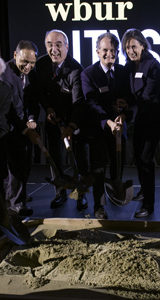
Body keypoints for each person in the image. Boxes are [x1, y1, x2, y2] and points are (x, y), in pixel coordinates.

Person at [80, 32, 132, 219]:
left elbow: (130, 98)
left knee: (118, 165)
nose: (109, 54)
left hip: (119, 130)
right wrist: (108, 121)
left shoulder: (124, 72)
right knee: (99, 169)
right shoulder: (88, 74)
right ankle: (99, 206)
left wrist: (124, 112)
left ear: (117, 51)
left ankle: (115, 192)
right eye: (105, 50)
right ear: (97, 51)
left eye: (113, 50)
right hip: (98, 130)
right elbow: (91, 103)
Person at [35, 29, 85, 209]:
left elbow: (79, 102)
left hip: (73, 117)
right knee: (54, 157)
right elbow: (39, 91)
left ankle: (81, 195)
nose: (54, 49)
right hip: (52, 119)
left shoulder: (76, 69)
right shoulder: (40, 65)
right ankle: (60, 192)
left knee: (77, 158)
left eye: (58, 45)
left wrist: (71, 126)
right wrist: (47, 108)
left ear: (67, 47)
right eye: (49, 45)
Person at [121, 28, 160, 218]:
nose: (130, 51)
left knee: (146, 160)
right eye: (127, 47)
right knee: (139, 158)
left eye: (134, 46)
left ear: (143, 45)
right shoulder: (128, 66)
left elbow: (148, 95)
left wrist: (128, 104)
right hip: (137, 119)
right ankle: (143, 191)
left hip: (153, 120)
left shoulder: (153, 65)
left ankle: (149, 204)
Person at [0, 40, 39, 217]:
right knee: (13, 168)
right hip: (8, 129)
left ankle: (19, 200)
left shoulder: (31, 73)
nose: (28, 66)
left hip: (23, 127)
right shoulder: (5, 76)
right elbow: (7, 110)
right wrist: (24, 129)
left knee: (25, 165)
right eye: (24, 62)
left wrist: (31, 119)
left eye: (32, 62)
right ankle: (15, 206)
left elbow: (31, 102)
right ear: (15, 55)